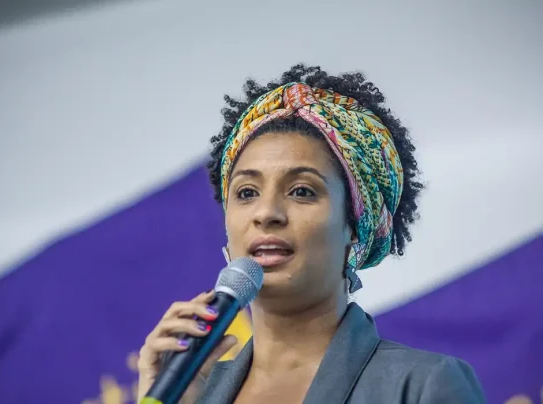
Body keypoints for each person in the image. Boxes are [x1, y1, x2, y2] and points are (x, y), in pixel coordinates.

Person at [137, 65, 486, 404]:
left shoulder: (423, 385)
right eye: (246, 193)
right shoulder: (190, 393)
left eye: (302, 190)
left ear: (353, 225)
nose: (266, 214)